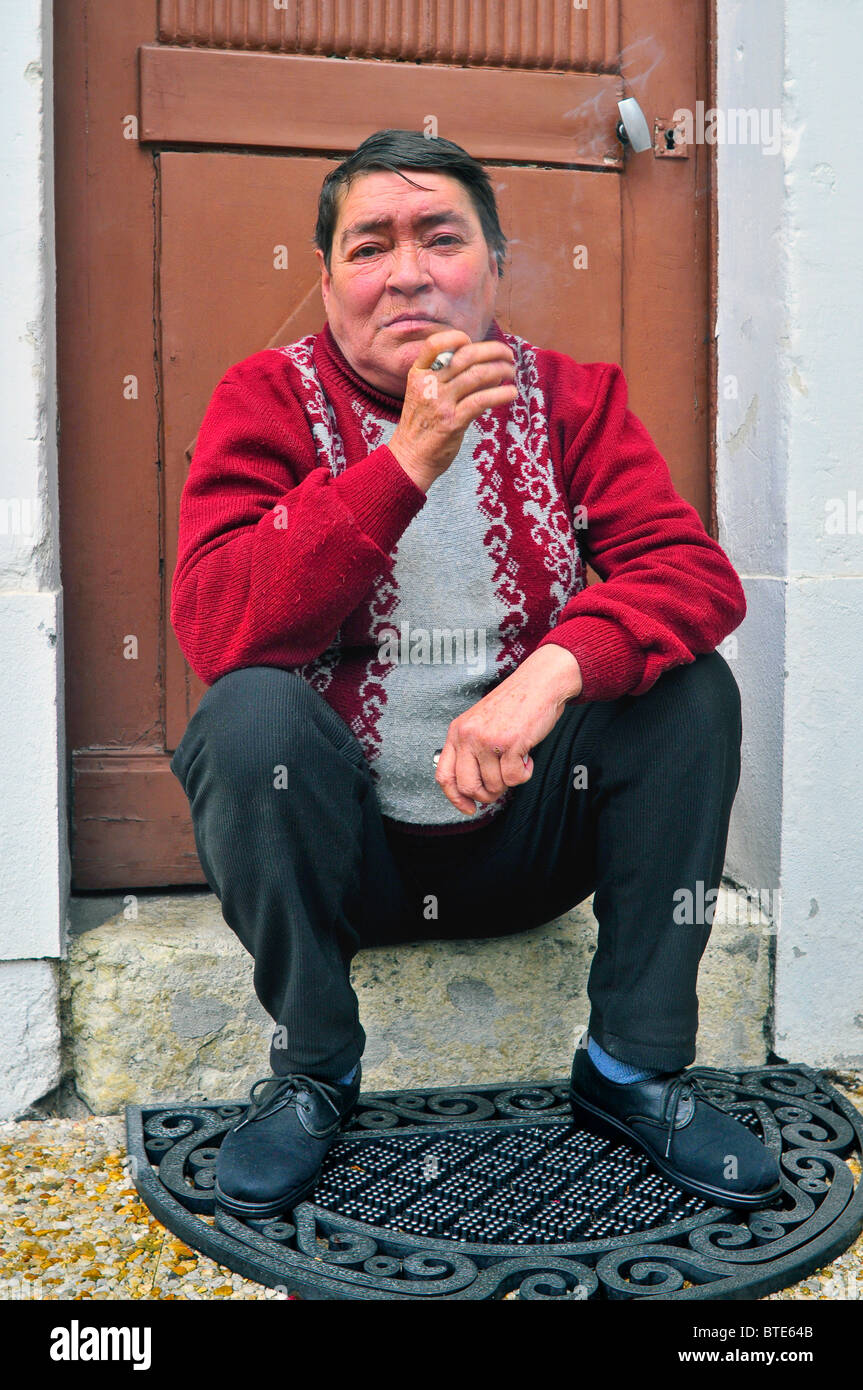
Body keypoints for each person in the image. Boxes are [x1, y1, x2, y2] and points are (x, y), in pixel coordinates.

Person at [169, 129, 782, 1225]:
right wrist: (401, 463)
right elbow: (217, 622)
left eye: (439, 238)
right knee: (248, 713)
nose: (405, 271)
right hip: (346, 856)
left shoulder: (572, 400)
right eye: (369, 246)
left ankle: (631, 1067)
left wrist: (550, 672)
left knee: (689, 686)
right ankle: (313, 1070)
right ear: (328, 283)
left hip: (522, 835)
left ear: (490, 269)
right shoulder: (267, 399)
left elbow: (689, 573)